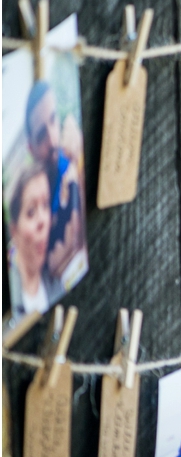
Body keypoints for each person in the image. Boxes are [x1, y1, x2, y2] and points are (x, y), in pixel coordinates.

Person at [23, 80, 84, 284]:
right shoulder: (35, 201)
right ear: (31, 149)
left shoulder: (71, 157)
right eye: (41, 136)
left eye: (53, 120)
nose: (52, 140)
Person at [6, 165, 61, 317]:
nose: (43, 220)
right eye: (31, 212)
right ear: (14, 231)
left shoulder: (57, 279)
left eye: (45, 205)